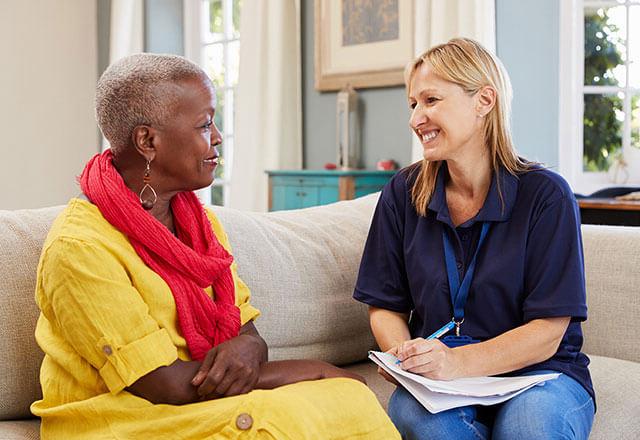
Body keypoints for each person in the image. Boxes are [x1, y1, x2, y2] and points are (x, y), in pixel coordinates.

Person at [31, 53, 400, 439]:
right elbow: (165, 385)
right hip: (123, 419)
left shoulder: (198, 224)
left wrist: (249, 349)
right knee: (279, 421)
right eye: (205, 124)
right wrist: (313, 368)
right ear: (147, 140)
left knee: (347, 399)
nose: (219, 136)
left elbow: (247, 332)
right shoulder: (79, 248)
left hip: (196, 403)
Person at [353, 38, 594, 440]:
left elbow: (549, 330)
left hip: (538, 375)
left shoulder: (546, 195)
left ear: (484, 101)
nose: (416, 118)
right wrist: (403, 357)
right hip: (441, 382)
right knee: (420, 419)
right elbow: (384, 306)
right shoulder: (402, 192)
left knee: (529, 428)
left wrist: (457, 362)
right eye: (413, 104)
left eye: (431, 100)